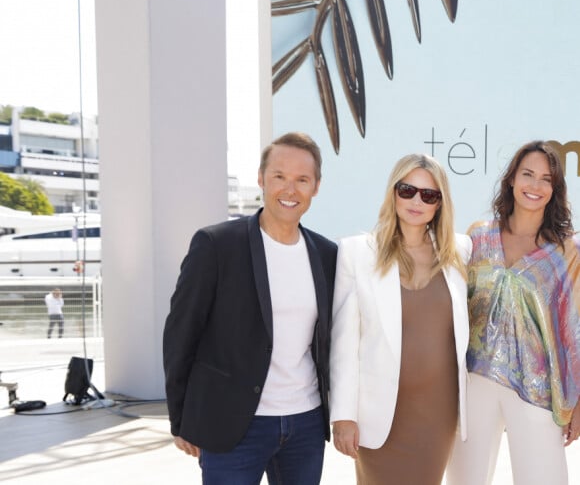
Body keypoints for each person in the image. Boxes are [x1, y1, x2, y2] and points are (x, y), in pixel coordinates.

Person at [163, 132, 337, 484]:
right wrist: (181, 418)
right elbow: (181, 333)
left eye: (302, 180)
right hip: (233, 425)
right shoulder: (216, 245)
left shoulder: (327, 254)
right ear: (261, 179)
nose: (290, 190)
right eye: (279, 177)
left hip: (305, 423)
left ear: (316, 187)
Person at [330, 153, 471, 485]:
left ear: (440, 203)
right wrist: (344, 416)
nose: (416, 201)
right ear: (393, 192)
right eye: (407, 190)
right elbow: (344, 345)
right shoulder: (357, 253)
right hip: (378, 414)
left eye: (429, 194)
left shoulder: (460, 252)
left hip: (437, 413)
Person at [446, 140, 580, 485]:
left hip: (538, 391)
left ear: (555, 189)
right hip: (474, 381)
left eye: (546, 179)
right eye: (528, 174)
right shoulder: (478, 236)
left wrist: (577, 400)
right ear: (511, 180)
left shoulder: (566, 251)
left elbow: (575, 330)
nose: (535, 186)